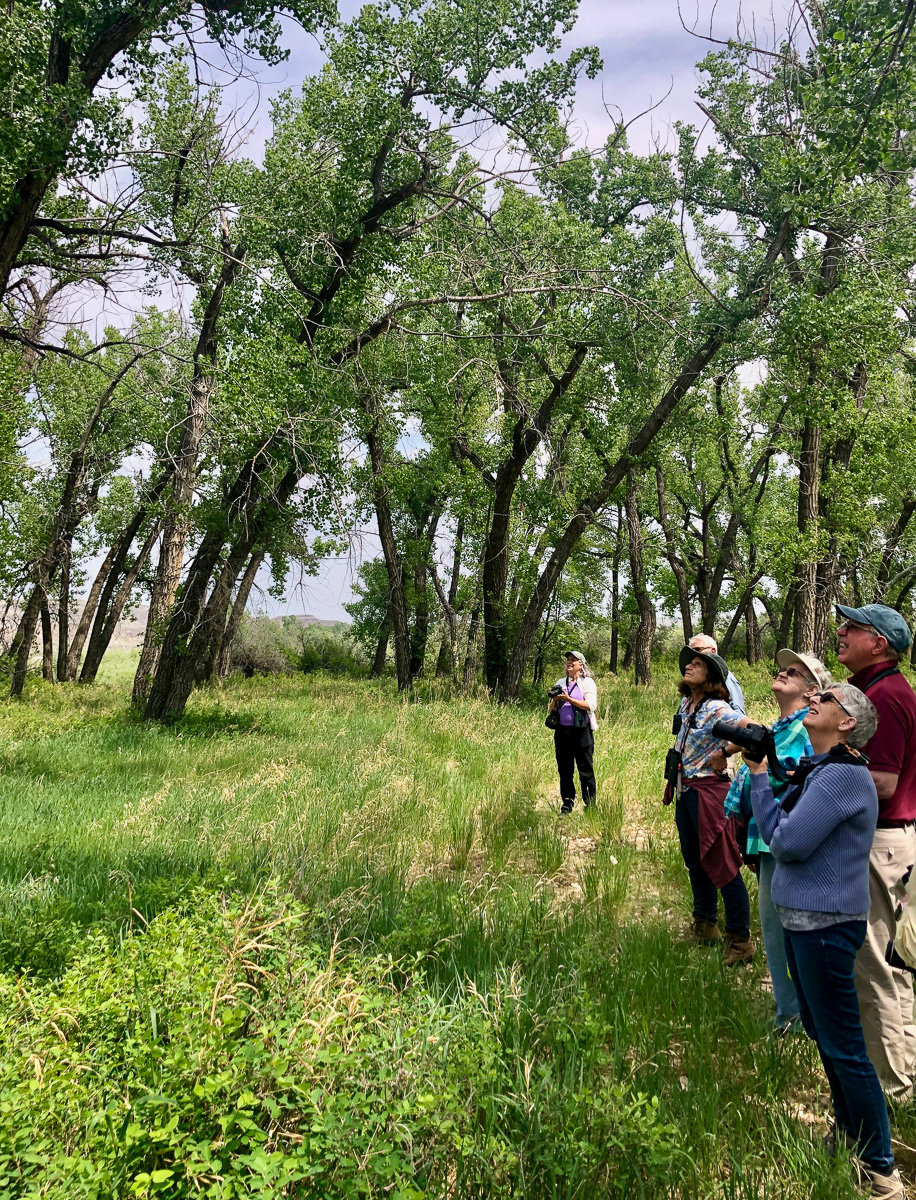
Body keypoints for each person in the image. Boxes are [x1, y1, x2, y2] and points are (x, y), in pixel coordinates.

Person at [747, 683, 903, 1199]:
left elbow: (787, 842)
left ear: (847, 723)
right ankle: (850, 1134)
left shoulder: (840, 776)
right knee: (823, 1031)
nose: (816, 697)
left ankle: (881, 1168)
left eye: (830, 697)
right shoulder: (821, 770)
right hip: (804, 921)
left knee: (845, 1045)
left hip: (824, 925)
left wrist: (759, 775)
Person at [723, 649, 829, 1032]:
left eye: (795, 672)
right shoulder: (783, 726)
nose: (784, 673)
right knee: (776, 927)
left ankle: (794, 1019)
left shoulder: (807, 728)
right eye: (784, 668)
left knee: (779, 927)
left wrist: (757, 765)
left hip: (783, 835)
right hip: (766, 835)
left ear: (811, 691)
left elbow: (789, 780)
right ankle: (794, 1011)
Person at [835, 603, 916, 1099]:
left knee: (877, 966)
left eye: (854, 628)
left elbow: (882, 783)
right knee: (895, 964)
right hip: (892, 844)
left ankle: (889, 1087)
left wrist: (818, 776)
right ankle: (902, 1074)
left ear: (879, 644)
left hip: (880, 844)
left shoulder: (884, 695)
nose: (841, 632)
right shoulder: (879, 689)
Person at [671, 646, 754, 965]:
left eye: (697, 664)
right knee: (695, 859)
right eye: (689, 663)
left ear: (712, 676)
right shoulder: (688, 702)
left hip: (709, 790)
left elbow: (753, 731)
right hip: (685, 788)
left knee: (722, 863)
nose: (689, 667)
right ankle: (705, 924)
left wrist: (726, 752)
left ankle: (741, 940)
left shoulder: (717, 708)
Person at [547, 651, 598, 814]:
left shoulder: (587, 683)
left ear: (581, 665)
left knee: (585, 768)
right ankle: (567, 802)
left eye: (573, 661)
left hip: (582, 731)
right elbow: (551, 709)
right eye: (568, 660)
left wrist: (569, 699)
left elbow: (591, 706)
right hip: (563, 732)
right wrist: (555, 698)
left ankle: (590, 804)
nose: (569, 662)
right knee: (565, 769)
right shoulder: (561, 682)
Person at [688, 633, 745, 713]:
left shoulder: (726, 678)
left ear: (713, 651)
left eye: (697, 650)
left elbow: (738, 711)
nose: (694, 655)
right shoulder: (693, 679)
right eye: (691, 652)